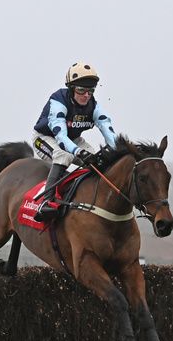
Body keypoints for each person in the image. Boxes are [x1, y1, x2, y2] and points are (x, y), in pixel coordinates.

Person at [32, 62, 118, 221]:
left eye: (91, 91)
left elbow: (108, 130)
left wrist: (118, 150)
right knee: (64, 156)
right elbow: (61, 138)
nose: (86, 95)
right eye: (81, 90)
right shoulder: (58, 101)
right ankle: (45, 202)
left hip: (73, 139)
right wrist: (79, 152)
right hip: (45, 138)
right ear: (71, 89)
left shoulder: (93, 106)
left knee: (98, 160)